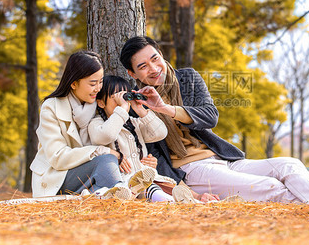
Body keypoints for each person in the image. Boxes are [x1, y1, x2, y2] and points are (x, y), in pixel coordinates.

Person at [119, 36, 309, 206]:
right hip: (192, 171)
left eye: (155, 59)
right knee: (269, 187)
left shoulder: (188, 78)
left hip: (223, 159)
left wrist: (167, 108)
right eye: (143, 66)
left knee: (288, 164)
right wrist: (184, 191)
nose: (154, 69)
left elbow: (210, 116)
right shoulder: (135, 106)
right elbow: (151, 155)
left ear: (162, 55)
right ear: (134, 74)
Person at [83, 75, 217, 203]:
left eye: (125, 97)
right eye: (115, 98)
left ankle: (191, 199)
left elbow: (160, 132)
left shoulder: (134, 123)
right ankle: (168, 201)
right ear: (101, 103)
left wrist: (140, 109)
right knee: (148, 189)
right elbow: (108, 135)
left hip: (146, 180)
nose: (122, 102)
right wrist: (123, 109)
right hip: (123, 181)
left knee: (167, 186)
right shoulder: (97, 124)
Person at [30, 50, 131, 200]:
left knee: (107, 173)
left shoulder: (98, 104)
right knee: (106, 159)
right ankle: (122, 193)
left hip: (88, 176)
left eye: (101, 81)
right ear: (74, 83)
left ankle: (112, 193)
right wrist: (101, 151)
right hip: (57, 178)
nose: (98, 88)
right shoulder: (51, 107)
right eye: (92, 83)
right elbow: (58, 157)